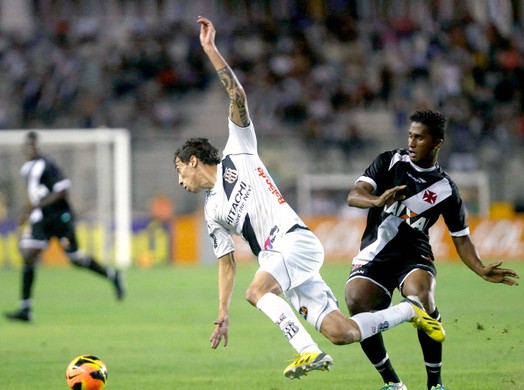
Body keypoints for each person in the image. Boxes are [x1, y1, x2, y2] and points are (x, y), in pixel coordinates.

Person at [173, 16, 445, 380]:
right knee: (341, 332)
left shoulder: (238, 150)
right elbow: (226, 263)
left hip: (294, 243)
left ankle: (307, 351)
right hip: (278, 259)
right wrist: (222, 313)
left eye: (180, 170)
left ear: (194, 161)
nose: (180, 180)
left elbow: (237, 95)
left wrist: (210, 49)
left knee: (256, 293)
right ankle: (411, 312)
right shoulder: (211, 211)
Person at [345, 110, 520, 390]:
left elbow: (461, 238)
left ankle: (435, 384)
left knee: (421, 297)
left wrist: (480, 268)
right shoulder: (390, 161)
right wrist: (377, 200)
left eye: (420, 137)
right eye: (410, 136)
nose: (412, 143)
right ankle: (393, 383)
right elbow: (354, 195)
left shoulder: (445, 189)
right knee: (356, 301)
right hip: (375, 252)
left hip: (414, 255)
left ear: (437, 142)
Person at [4, 131, 124, 322]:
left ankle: (113, 275)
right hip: (42, 220)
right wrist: (27, 212)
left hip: (60, 218)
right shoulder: (26, 169)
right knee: (28, 255)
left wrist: (37, 206)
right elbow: (36, 195)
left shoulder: (47, 165)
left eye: (33, 146)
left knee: (76, 259)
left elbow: (62, 191)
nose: (30, 149)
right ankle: (25, 309)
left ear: (39, 146)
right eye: (27, 146)